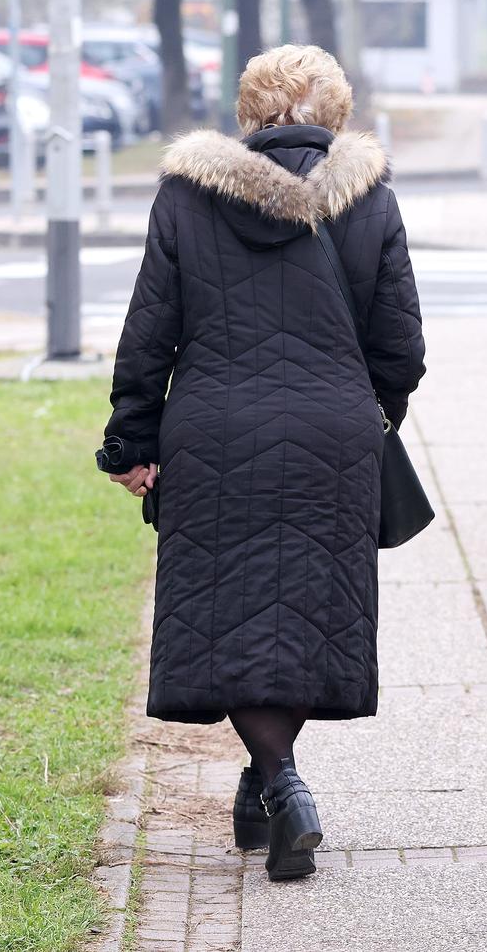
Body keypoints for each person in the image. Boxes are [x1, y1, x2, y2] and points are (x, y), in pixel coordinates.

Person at [96, 44, 425, 882]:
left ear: (250, 112)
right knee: (309, 609)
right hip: (333, 432)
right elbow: (402, 344)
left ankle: (274, 780)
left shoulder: (186, 194)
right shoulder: (370, 196)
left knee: (235, 609)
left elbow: (149, 332)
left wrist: (133, 441)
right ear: (335, 113)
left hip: (214, 431)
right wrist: (374, 409)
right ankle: (272, 782)